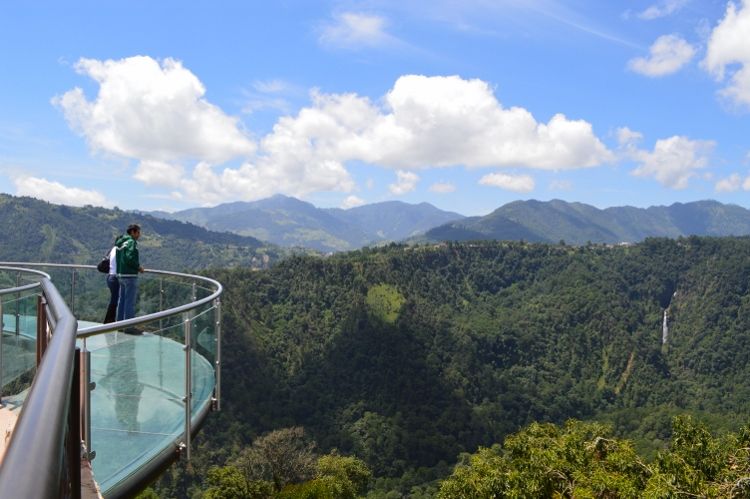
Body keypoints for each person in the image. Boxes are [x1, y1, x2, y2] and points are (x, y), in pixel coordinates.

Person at [115, 224, 144, 329]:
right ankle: (129, 327)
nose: (139, 234)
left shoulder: (121, 243)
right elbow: (130, 258)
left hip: (121, 275)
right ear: (132, 232)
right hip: (130, 275)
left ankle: (119, 325)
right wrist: (138, 267)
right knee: (129, 302)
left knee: (121, 300)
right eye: (138, 232)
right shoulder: (131, 242)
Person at [103, 238, 119, 323]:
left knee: (114, 299)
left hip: (109, 277)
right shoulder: (119, 250)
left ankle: (109, 320)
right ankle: (110, 321)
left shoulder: (112, 249)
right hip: (115, 277)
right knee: (115, 300)